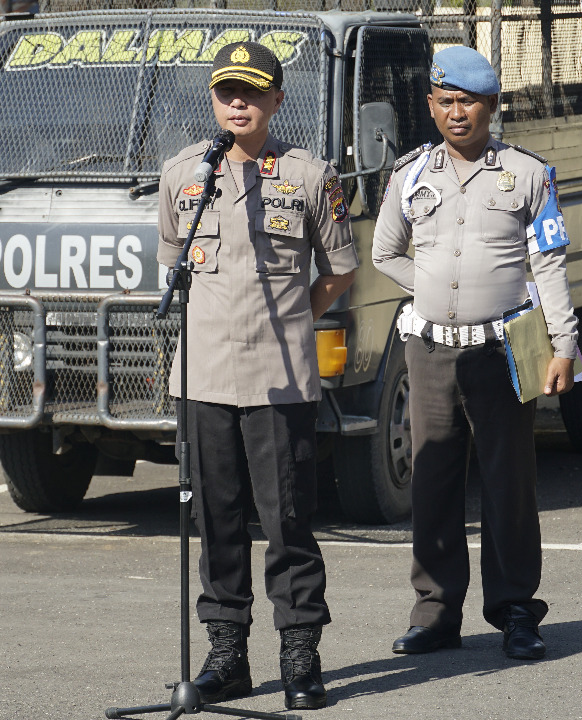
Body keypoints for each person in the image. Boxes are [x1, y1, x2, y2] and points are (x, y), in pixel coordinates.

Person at [155, 41, 358, 710]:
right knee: (216, 520)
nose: (237, 102)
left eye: (252, 91)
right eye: (225, 92)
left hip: (279, 376)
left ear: (276, 100)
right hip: (204, 377)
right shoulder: (184, 173)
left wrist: (298, 316)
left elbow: (339, 270)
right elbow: (172, 265)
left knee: (288, 519)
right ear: (213, 100)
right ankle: (226, 655)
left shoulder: (308, 176)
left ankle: (300, 656)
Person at [371, 45, 579, 660]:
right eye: (445, 101)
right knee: (432, 481)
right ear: (431, 106)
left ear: (491, 106)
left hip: (504, 349)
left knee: (508, 482)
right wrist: (433, 286)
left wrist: (563, 343)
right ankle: (436, 613)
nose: (456, 113)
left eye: (468, 102)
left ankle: (516, 610)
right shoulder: (410, 175)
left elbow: (550, 262)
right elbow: (387, 252)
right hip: (430, 349)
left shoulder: (528, 174)